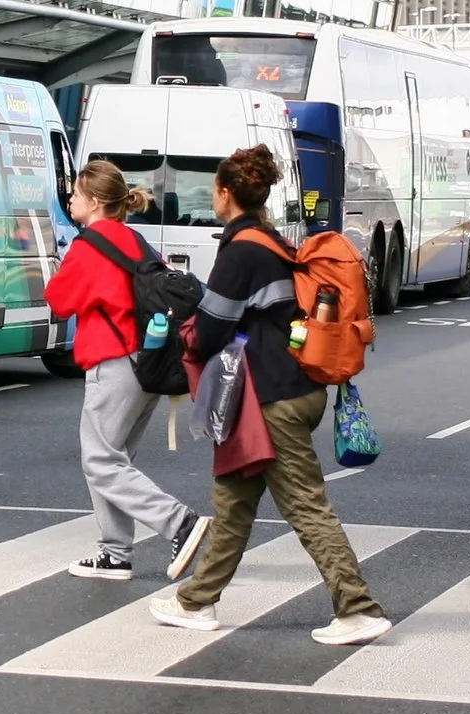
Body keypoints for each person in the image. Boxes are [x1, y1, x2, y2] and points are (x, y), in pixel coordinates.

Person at [156, 145, 392, 646]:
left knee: (306, 506)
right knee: (235, 498)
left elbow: (216, 325)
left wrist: (183, 330)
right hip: (292, 388)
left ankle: (358, 608)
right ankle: (195, 601)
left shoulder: (241, 249)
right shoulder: (273, 242)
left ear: (225, 193)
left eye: (214, 190)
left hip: (270, 400)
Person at [45, 159, 211, 582]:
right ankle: (115, 553)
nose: (71, 200)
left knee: (100, 460)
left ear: (95, 202)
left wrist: (58, 264)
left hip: (112, 359)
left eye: (77, 194)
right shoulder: (135, 240)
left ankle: (178, 522)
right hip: (150, 358)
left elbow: (59, 301)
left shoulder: (89, 245)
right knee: (116, 457)